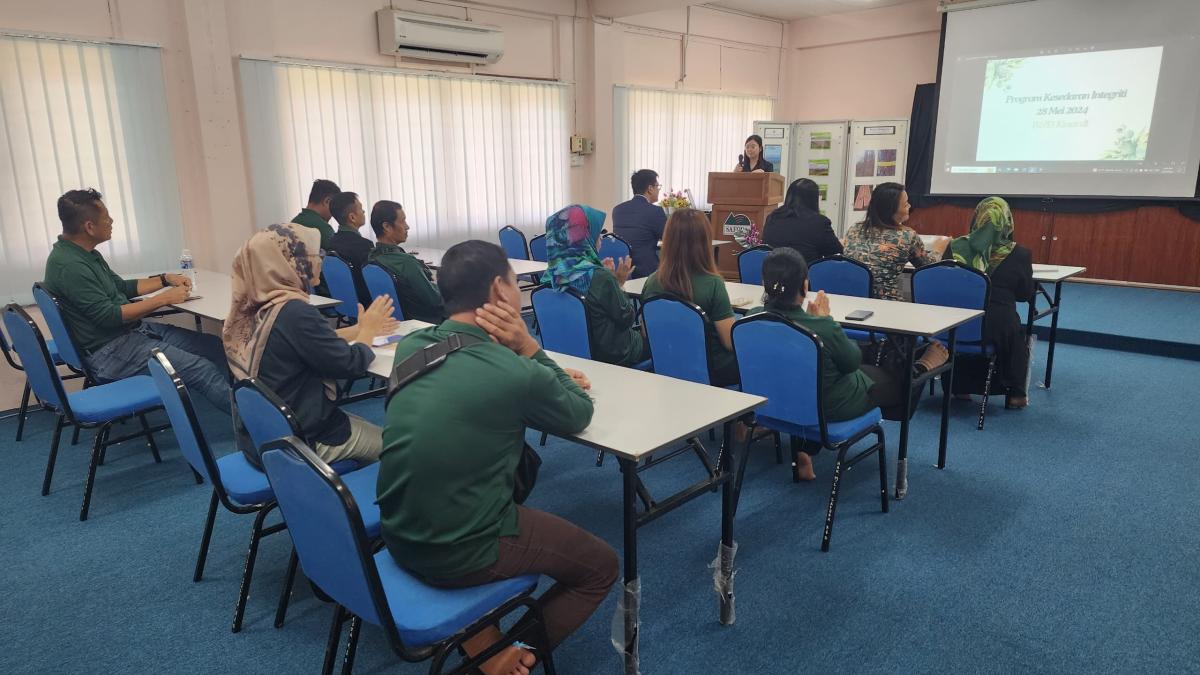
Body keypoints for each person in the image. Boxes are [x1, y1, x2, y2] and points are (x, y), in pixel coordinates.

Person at [378, 240, 617, 675]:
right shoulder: (514, 371)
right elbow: (579, 412)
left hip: (397, 531)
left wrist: (526, 365)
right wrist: (529, 348)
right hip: (458, 550)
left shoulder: (412, 347)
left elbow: (468, 366)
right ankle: (505, 655)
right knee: (601, 566)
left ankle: (484, 639)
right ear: (500, 291)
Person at [746, 248, 943, 480]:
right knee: (903, 381)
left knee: (811, 374)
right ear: (805, 286)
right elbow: (851, 363)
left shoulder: (751, 318)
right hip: (829, 407)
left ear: (764, 284)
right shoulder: (821, 327)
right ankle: (921, 367)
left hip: (776, 402)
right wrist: (826, 321)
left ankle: (804, 449)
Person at [222, 222, 397, 466]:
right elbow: (351, 364)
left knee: (370, 429)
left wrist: (357, 329)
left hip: (263, 435)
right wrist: (367, 332)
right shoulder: (294, 311)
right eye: (314, 255)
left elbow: (307, 342)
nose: (319, 261)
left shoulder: (257, 305)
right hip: (302, 440)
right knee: (397, 449)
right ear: (290, 262)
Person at [43, 188, 231, 412]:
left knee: (213, 346)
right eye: (106, 218)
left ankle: (243, 404)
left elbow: (121, 288)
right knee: (202, 369)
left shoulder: (85, 253)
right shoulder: (70, 266)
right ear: (89, 227)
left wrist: (165, 279)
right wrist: (164, 299)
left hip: (130, 334)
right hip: (109, 352)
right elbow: (110, 316)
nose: (111, 221)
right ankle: (252, 424)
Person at [945, 196, 1035, 409]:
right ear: (1007, 221)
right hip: (997, 326)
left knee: (974, 329)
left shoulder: (955, 247)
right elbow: (1024, 294)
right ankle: (1016, 395)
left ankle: (960, 387)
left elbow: (945, 283)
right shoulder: (1020, 254)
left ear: (977, 217)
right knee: (1015, 335)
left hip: (956, 323)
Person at [642, 208, 739, 387]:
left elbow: (646, 332)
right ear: (704, 241)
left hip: (667, 365)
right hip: (712, 370)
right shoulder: (713, 284)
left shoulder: (652, 282)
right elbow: (729, 342)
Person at [545, 204, 648, 367]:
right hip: (613, 353)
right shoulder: (599, 277)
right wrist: (618, 283)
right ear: (582, 237)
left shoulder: (551, 276)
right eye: (597, 233)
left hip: (570, 352)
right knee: (659, 339)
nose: (600, 239)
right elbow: (627, 318)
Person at [843, 182, 948, 301]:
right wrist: (939, 249)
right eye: (905, 204)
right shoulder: (907, 236)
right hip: (887, 303)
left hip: (850, 299)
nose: (909, 206)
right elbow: (928, 268)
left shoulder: (855, 229)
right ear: (891, 210)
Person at [366, 200, 446, 324]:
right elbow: (435, 300)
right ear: (387, 227)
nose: (407, 226)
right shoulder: (406, 263)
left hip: (395, 321)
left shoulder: (372, 258)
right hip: (426, 322)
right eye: (402, 221)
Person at [762, 178, 843, 263]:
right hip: (804, 270)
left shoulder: (772, 217)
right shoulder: (820, 223)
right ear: (814, 199)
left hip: (772, 270)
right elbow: (836, 254)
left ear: (789, 196)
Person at [611, 169, 667, 278]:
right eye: (657, 186)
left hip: (622, 270)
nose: (658, 190)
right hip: (646, 271)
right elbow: (669, 239)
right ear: (650, 188)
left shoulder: (618, 210)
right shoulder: (655, 211)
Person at [326, 191, 374, 306]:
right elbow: (372, 280)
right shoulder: (364, 245)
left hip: (344, 302)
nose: (364, 211)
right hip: (366, 305)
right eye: (361, 209)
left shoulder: (331, 242)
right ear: (352, 217)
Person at [291, 179, 341, 250]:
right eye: (334, 206)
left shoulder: (294, 222)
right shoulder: (322, 227)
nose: (333, 213)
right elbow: (340, 252)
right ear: (327, 201)